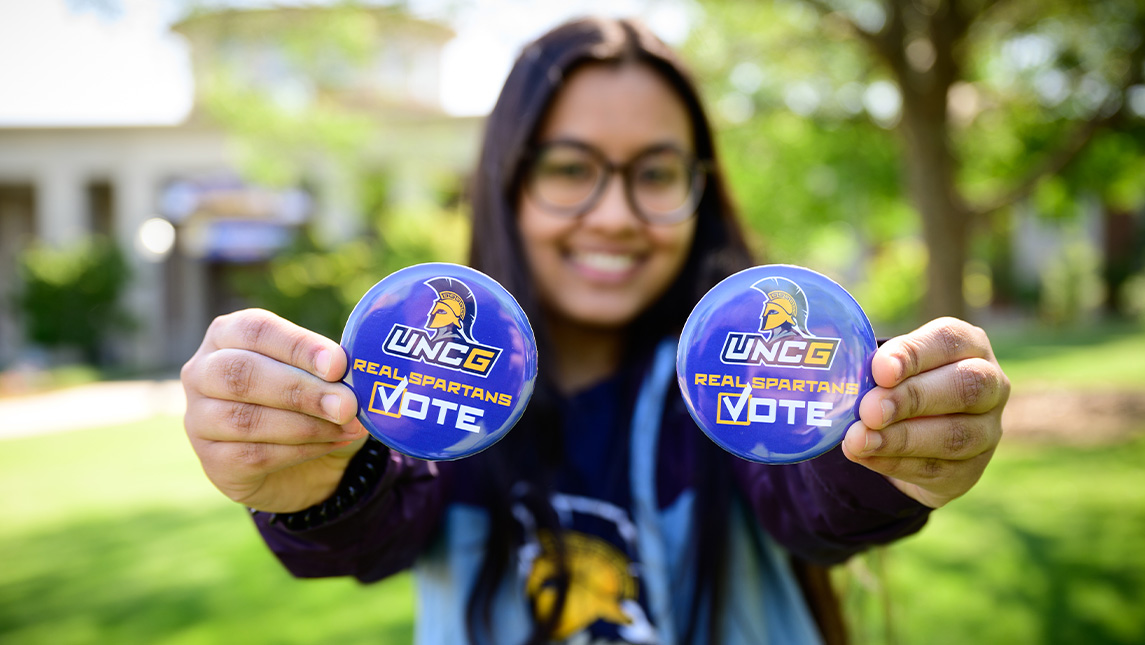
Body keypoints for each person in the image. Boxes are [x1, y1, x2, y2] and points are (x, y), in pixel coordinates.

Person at [181, 17, 1009, 645]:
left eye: (654, 173)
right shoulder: (442, 406)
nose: (613, 216)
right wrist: (317, 480)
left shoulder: (734, 379)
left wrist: (891, 454)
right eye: (571, 168)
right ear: (506, 183)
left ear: (700, 191)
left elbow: (810, 500)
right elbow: (370, 530)